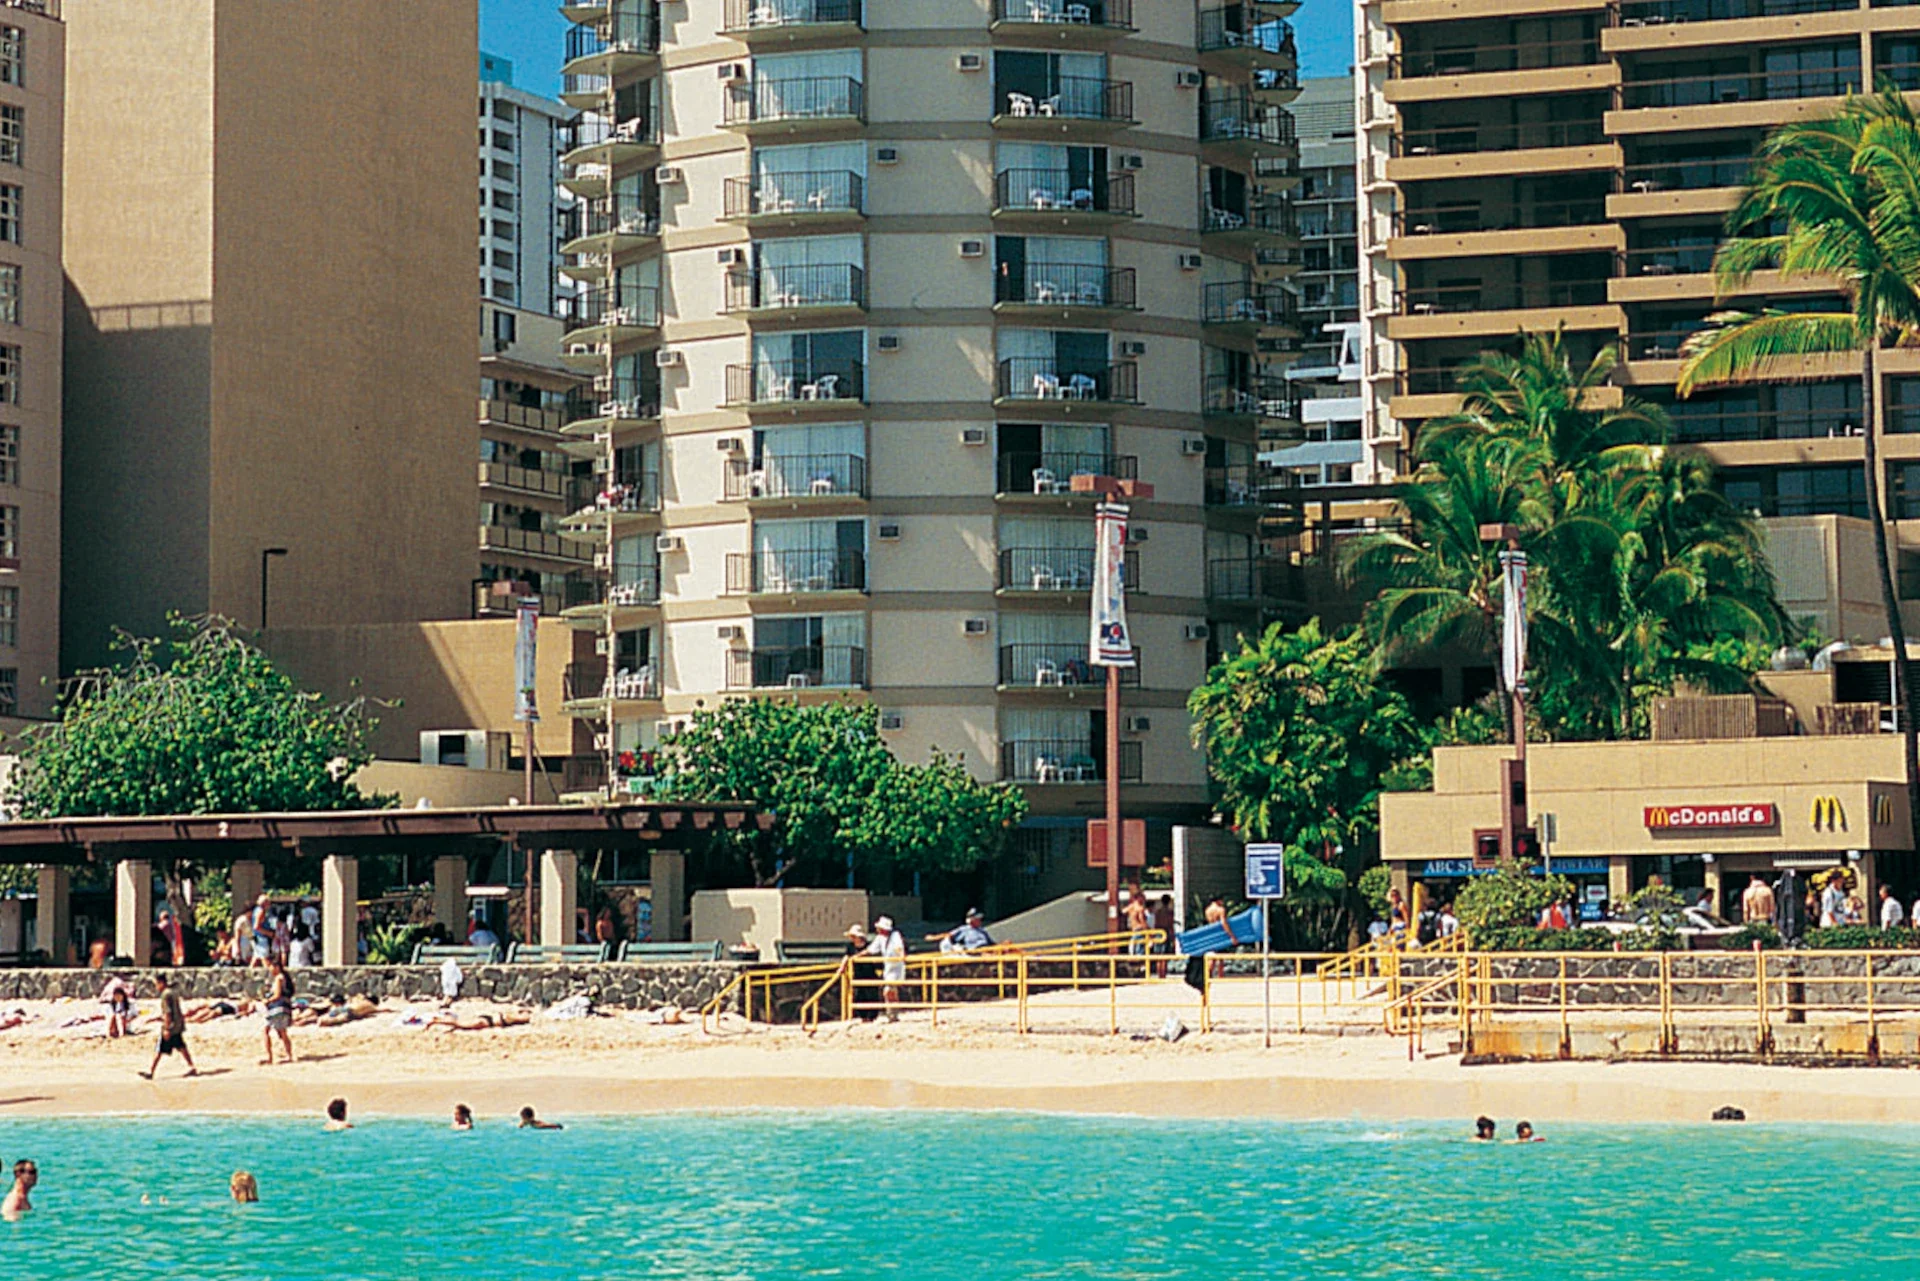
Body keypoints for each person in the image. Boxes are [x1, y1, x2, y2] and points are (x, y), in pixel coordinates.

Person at [139, 974, 197, 1080]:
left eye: (157, 984)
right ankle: (191, 1066)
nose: (156, 987)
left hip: (171, 1027)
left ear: (161, 983)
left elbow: (167, 1012)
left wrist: (166, 1028)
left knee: (160, 1049)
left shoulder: (165, 995)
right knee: (181, 1046)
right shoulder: (172, 992)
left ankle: (151, 1071)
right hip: (177, 1025)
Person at [864, 916, 907, 1021]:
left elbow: (899, 947)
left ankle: (892, 1013)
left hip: (896, 967)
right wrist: (857, 956)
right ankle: (893, 1014)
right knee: (891, 991)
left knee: (888, 990)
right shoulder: (880, 938)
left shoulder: (895, 935)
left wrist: (901, 955)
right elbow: (871, 949)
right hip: (888, 968)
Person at [261, 956, 295, 1066]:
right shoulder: (282, 978)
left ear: (276, 967)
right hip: (280, 1008)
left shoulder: (279, 978)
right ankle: (286, 1055)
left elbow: (277, 995)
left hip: (277, 1008)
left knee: (274, 1031)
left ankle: (271, 1057)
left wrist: (267, 1000)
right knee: (281, 1032)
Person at [101, 973, 134, 1039]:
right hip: (114, 1022)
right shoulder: (111, 1005)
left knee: (119, 1017)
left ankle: (121, 1033)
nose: (118, 998)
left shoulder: (128, 1004)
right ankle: (109, 1034)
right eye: (116, 996)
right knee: (113, 1016)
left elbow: (132, 1014)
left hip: (124, 1021)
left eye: (119, 996)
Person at [1152, 895, 1177, 977]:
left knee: (1158, 955)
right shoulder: (1169, 912)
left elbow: (1155, 924)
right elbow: (1170, 925)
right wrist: (1173, 937)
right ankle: (1163, 974)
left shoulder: (1157, 912)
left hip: (1158, 932)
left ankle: (1159, 973)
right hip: (1165, 932)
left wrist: (1153, 935)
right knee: (1164, 955)